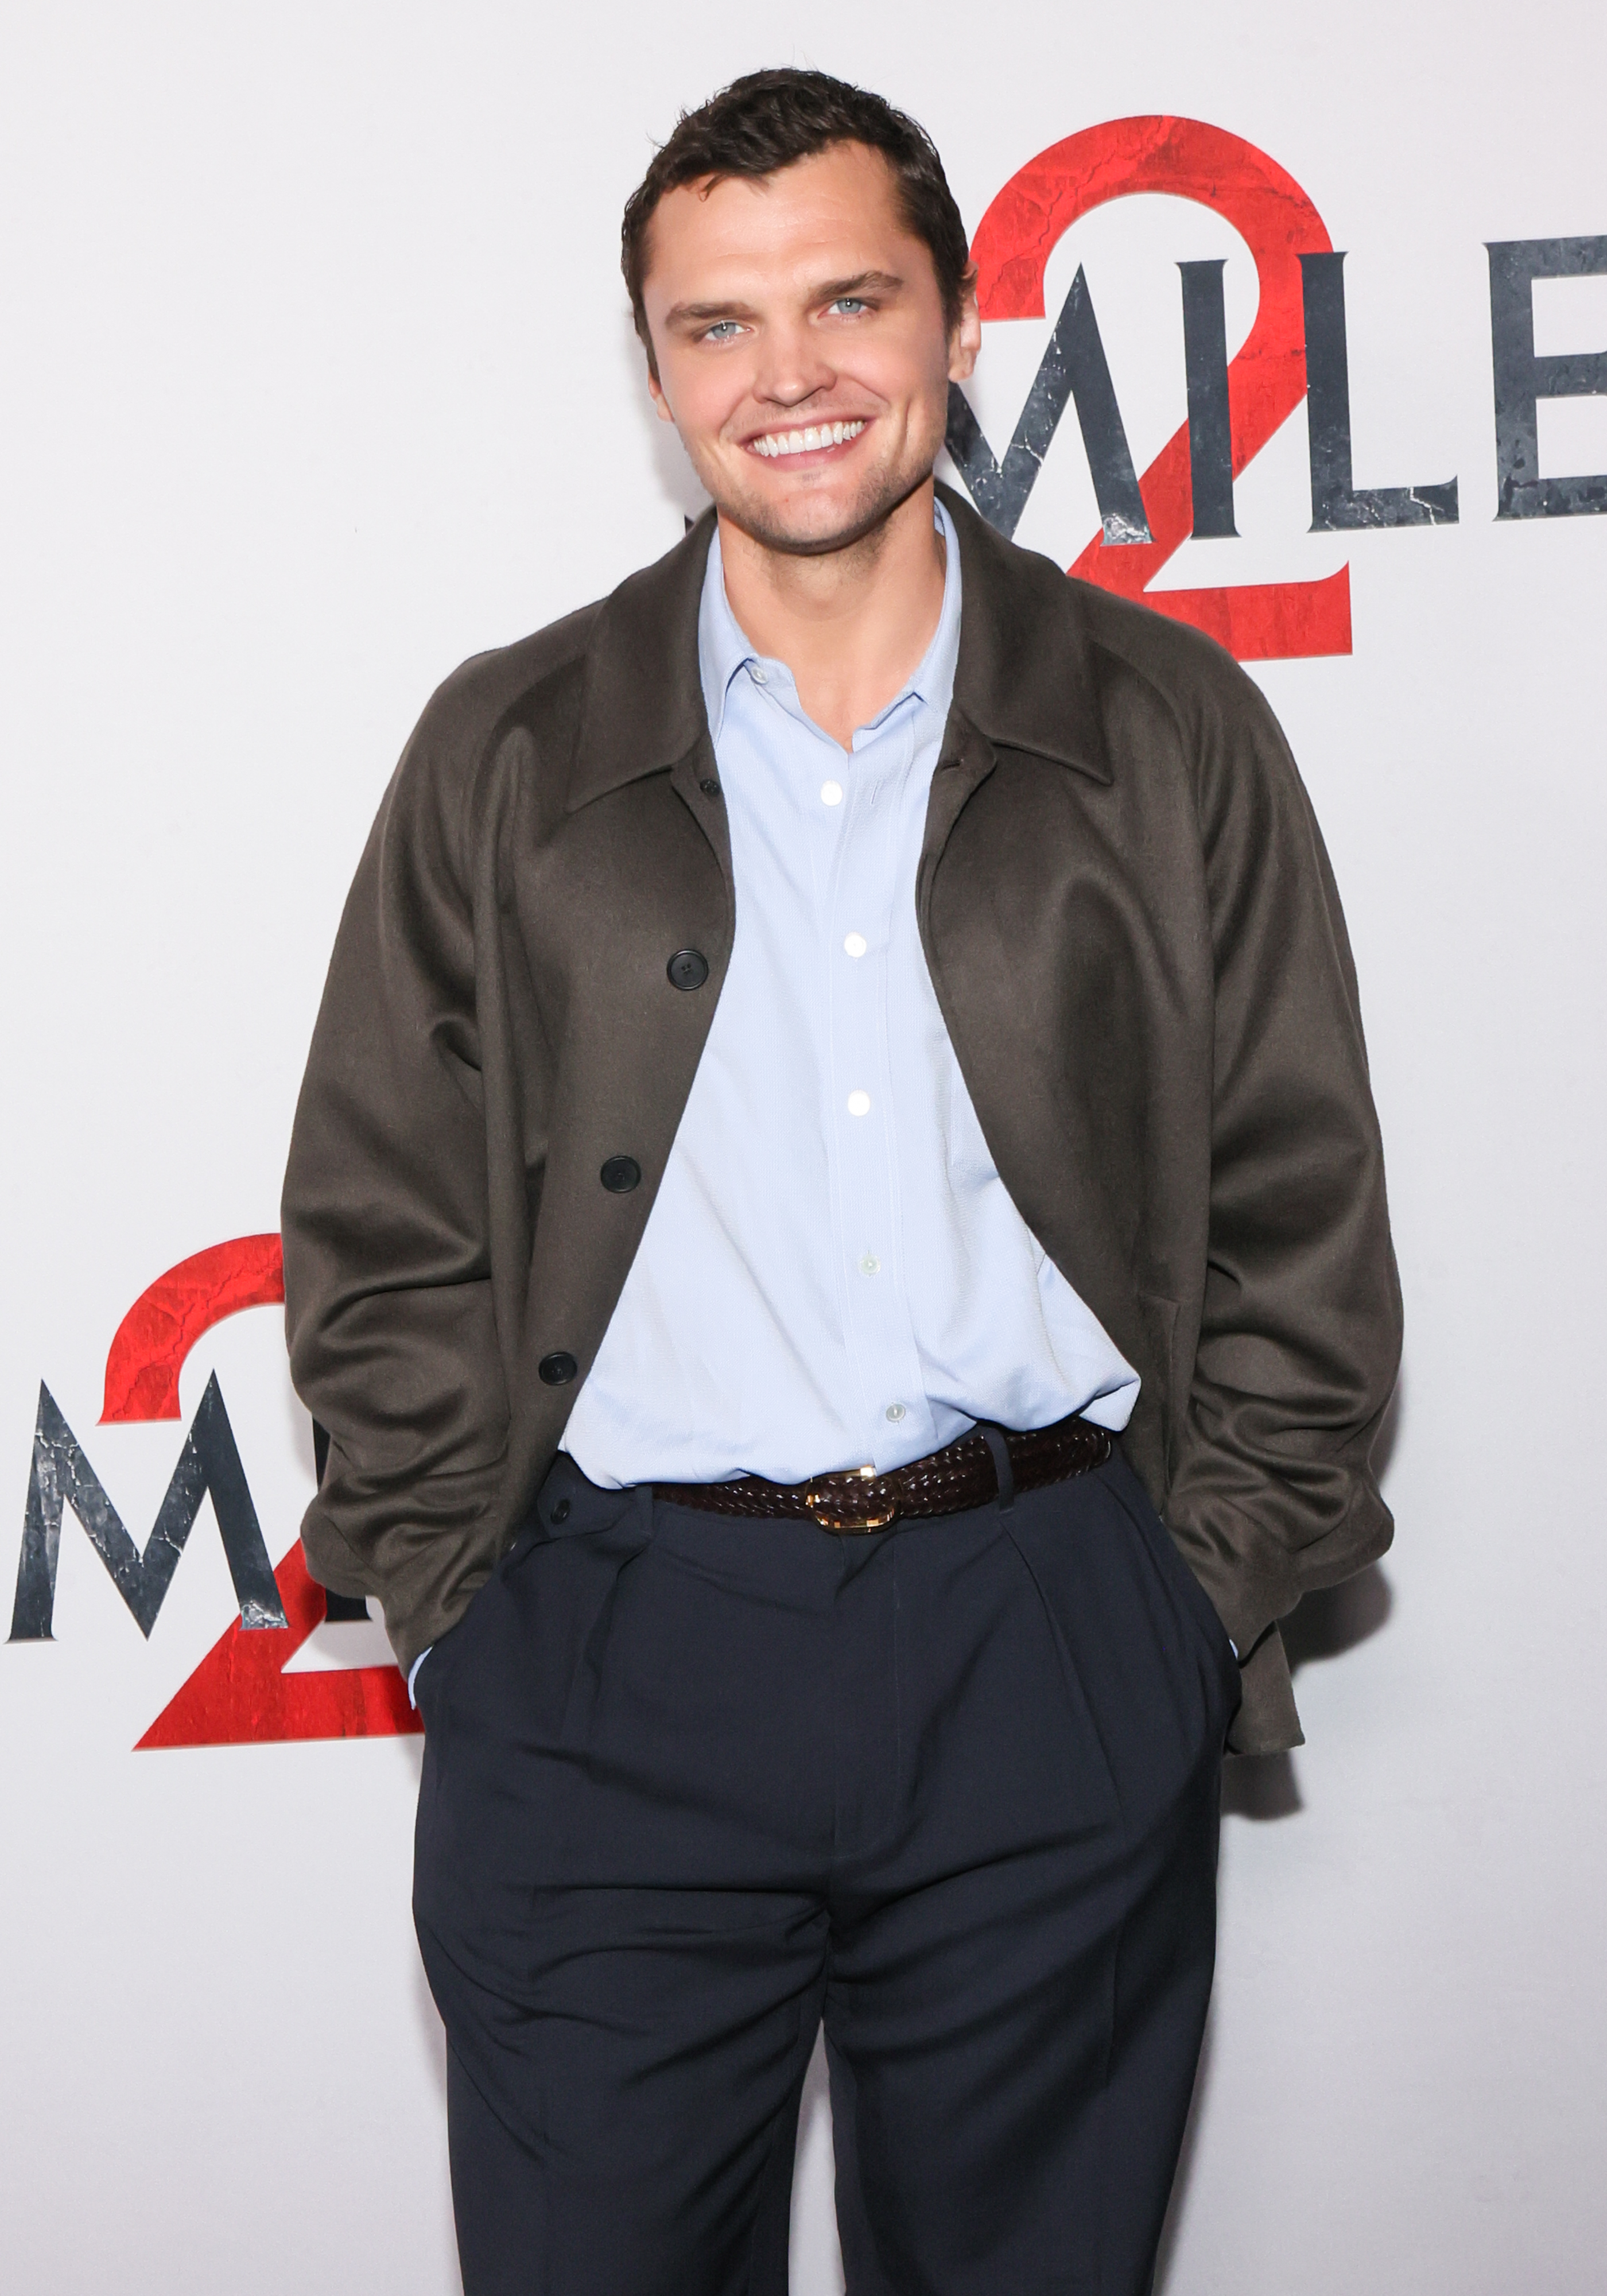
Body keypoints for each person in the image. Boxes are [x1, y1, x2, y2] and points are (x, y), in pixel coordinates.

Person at [282, 65, 1401, 2296]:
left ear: (961, 325)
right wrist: (462, 1606)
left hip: (1049, 1628)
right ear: (658, 365)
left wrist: (1175, 1611)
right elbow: (378, 1220)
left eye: (846, 302)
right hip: (610, 1660)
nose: (786, 376)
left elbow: (1298, 1206)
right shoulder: (510, 747)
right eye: (715, 325)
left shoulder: (1163, 727)